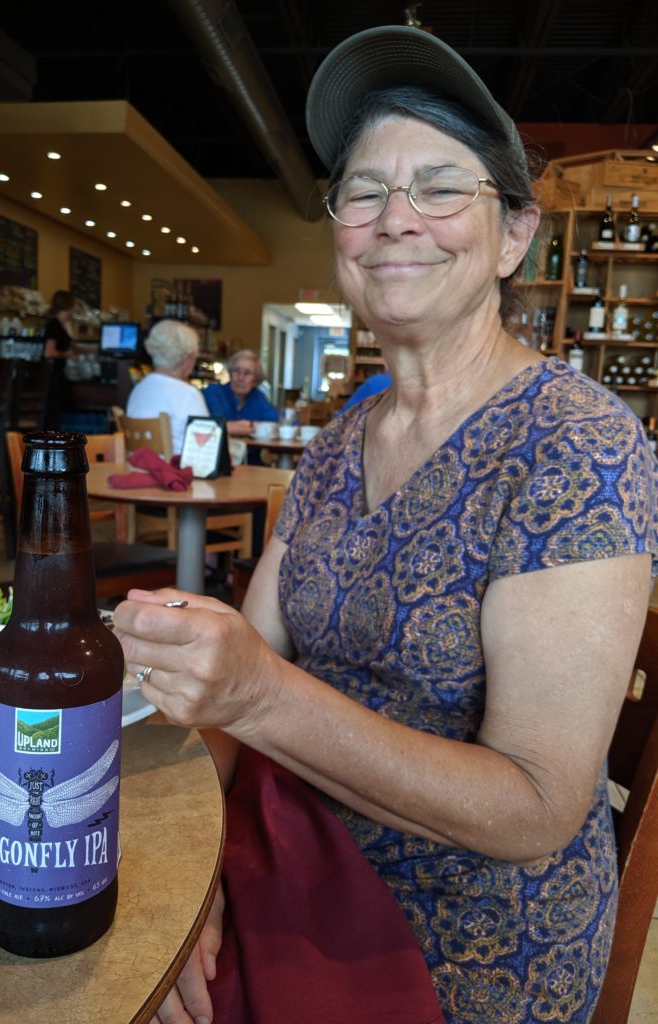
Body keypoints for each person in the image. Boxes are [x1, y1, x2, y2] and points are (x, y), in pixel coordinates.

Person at [114, 25, 658, 1024]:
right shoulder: (341, 438)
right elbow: (237, 684)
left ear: (514, 236)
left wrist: (258, 694)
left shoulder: (578, 443)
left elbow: (535, 808)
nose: (396, 219)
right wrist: (188, 877)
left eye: (442, 188)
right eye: (363, 192)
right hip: (289, 851)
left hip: (466, 939)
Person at [126, 319, 209, 456]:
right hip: (174, 469)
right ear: (187, 358)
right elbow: (205, 451)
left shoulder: (138, 390)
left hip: (137, 467)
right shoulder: (189, 395)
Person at [203, 349, 278, 437]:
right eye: (236, 371)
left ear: (256, 380)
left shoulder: (258, 397)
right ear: (230, 374)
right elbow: (214, 426)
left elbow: (276, 425)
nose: (240, 378)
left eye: (247, 373)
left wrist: (239, 426)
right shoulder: (213, 392)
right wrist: (252, 425)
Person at [42, 289, 75, 429]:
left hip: (55, 378)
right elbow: (48, 353)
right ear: (69, 306)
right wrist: (66, 354)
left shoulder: (60, 325)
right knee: (52, 418)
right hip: (52, 379)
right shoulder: (54, 325)